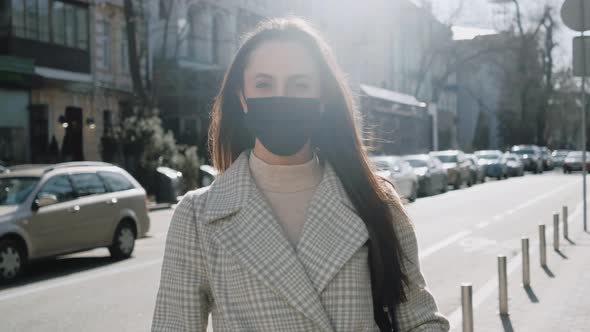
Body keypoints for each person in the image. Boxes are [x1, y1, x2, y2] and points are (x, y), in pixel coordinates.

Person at [151, 17, 449, 332]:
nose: (282, 99)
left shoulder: (376, 203)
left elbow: (420, 321)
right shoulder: (197, 218)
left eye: (299, 84)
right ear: (242, 97)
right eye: (264, 84)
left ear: (322, 98)